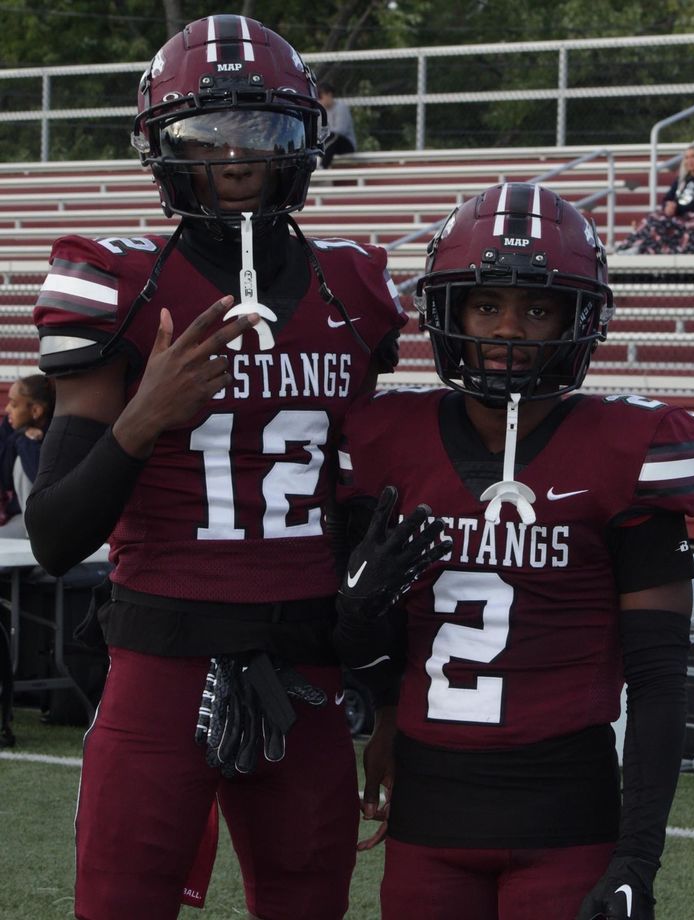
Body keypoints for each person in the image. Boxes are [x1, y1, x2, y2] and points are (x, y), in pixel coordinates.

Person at [25, 14, 405, 920]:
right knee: (119, 903)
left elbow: (366, 508)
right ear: (165, 150)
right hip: (160, 658)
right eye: (208, 134)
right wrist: (143, 417)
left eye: (262, 130)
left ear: (302, 143)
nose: (237, 157)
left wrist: (384, 687)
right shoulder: (119, 283)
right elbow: (53, 535)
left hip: (306, 664)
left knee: (309, 903)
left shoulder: (352, 288)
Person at [333, 183, 694, 920]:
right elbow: (354, 642)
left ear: (578, 319)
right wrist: (355, 612)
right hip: (427, 816)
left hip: (566, 818)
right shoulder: (385, 439)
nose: (509, 330)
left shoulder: (632, 448)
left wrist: (638, 856)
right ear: (450, 313)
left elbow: (660, 680)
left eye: (537, 309)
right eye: (486, 306)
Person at [617, 141, 694, 253]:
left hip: (693, 217)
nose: (690, 161)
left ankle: (640, 248)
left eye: (693, 156)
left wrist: (677, 208)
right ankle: (630, 246)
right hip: (677, 216)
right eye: (687, 157)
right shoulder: (681, 180)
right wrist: (668, 206)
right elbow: (667, 198)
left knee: (658, 221)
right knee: (650, 218)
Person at [0, 373, 55, 537]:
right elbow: (5, 479)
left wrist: (25, 442)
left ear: (36, 410)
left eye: (14, 404)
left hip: (46, 526)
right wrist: (21, 434)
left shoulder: (55, 432)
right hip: (18, 517)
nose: (7, 408)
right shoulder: (11, 426)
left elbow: (38, 479)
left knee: (20, 464)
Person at [317, 81, 357, 168]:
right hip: (330, 146)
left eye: (321, 97)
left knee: (333, 135)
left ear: (329, 95)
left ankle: (322, 166)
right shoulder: (320, 111)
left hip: (346, 145)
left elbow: (341, 130)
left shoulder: (341, 108)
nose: (319, 100)